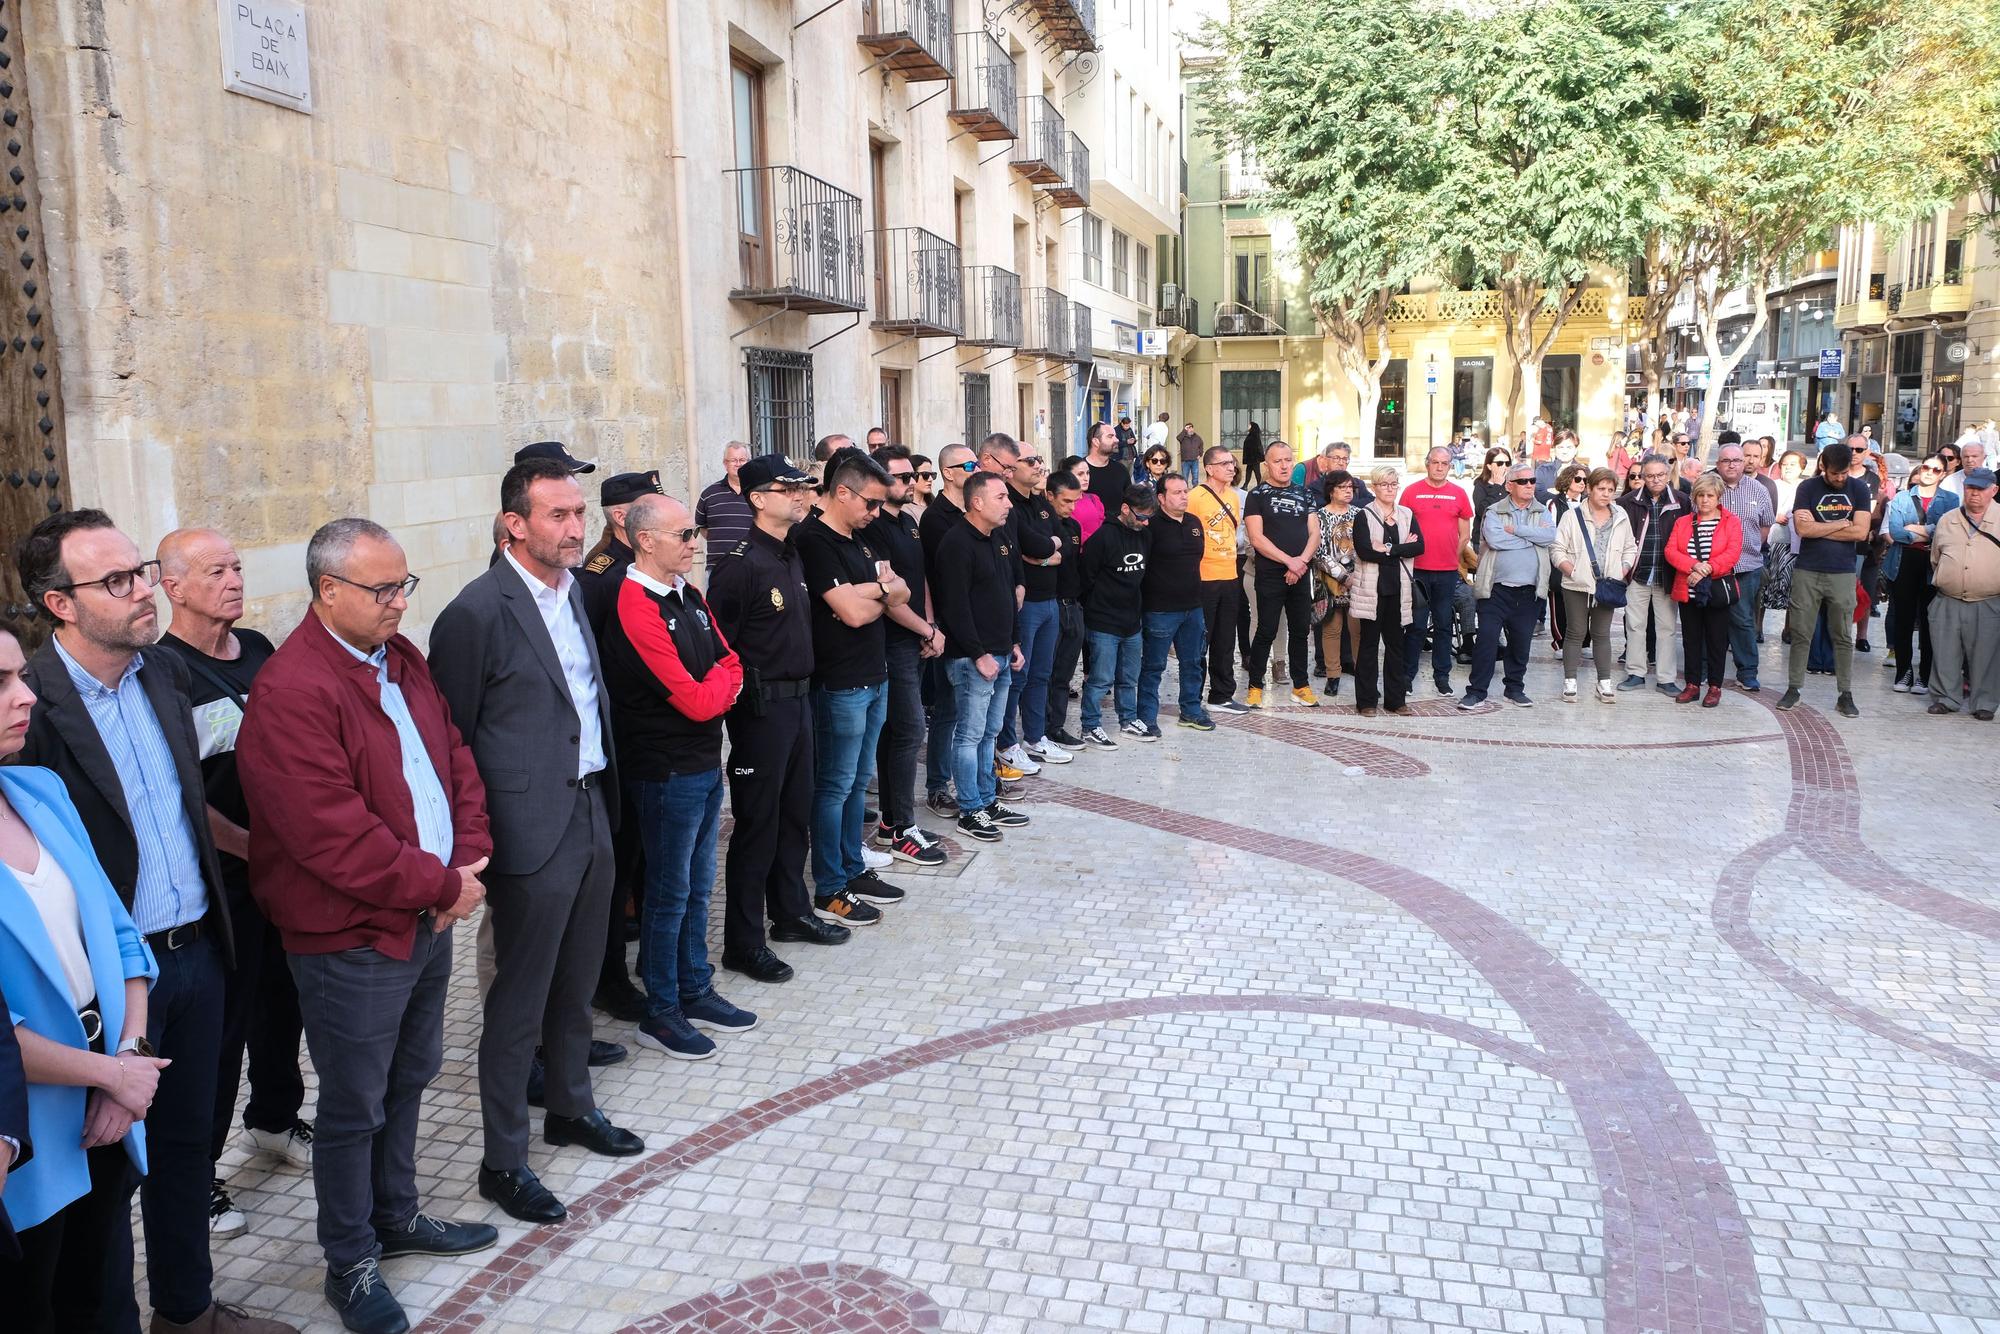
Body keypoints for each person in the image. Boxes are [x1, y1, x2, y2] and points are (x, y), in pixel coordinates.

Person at [15, 512, 295, 1334]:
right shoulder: (36, 706)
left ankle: (189, 1314)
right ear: (60, 604)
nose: (142, 592)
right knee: (104, 1187)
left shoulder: (164, 677)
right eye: (117, 582)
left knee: (186, 1154)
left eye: (137, 571)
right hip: (103, 989)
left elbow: (188, 807)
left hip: (201, 952)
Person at [236, 518, 496, 1334]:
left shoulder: (400, 657)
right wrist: (440, 884)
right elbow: (329, 834)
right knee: (354, 1105)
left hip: (430, 912)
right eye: (382, 590)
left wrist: (471, 860)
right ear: (328, 592)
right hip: (352, 934)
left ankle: (397, 1216)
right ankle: (348, 1261)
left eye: (402, 585)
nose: (397, 603)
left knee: (411, 1075)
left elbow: (454, 760)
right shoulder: (292, 690)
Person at [428, 457, 645, 1225]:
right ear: (513, 524)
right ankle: (503, 1160)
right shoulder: (475, 613)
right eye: (558, 515)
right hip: (527, 831)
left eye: (579, 513)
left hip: (591, 809)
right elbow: (447, 738)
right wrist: (473, 845)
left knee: (581, 978)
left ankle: (571, 1107)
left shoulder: (576, 593)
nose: (577, 527)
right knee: (518, 1002)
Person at [0, 615, 173, 1332]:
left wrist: (126, 1059)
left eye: (18, 675)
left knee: (105, 1299)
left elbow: (123, 937)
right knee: (36, 1306)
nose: (26, 696)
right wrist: (107, 1076)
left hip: (108, 1101)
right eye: (0, 683)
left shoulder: (39, 792)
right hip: (29, 1125)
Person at [152, 528, 310, 1239]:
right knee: (221, 1030)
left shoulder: (258, 652)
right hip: (220, 885)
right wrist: (251, 847)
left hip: (284, 872)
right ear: (172, 585)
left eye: (238, 568)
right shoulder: (160, 672)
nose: (234, 581)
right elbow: (182, 791)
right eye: (216, 571)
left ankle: (274, 1120)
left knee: (286, 1004)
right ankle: (199, 1172)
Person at [597, 493, 761, 1066]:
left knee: (695, 887)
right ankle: (662, 1010)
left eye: (694, 533)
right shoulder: (633, 601)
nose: (696, 543)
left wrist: (717, 686)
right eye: (685, 534)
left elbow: (730, 659)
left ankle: (694, 986)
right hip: (664, 769)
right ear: (645, 540)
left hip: (700, 763)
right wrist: (719, 691)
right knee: (667, 896)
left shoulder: (688, 593)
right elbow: (692, 699)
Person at [708, 456, 850, 986]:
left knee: (795, 816)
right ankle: (743, 943)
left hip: (799, 702)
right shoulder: (740, 565)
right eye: (784, 487)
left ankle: (790, 913)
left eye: (799, 485)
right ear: (757, 499)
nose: (798, 493)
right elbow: (718, 646)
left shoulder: (790, 555)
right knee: (757, 826)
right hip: (761, 711)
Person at [794, 451, 911, 926]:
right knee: (835, 786)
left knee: (858, 785)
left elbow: (899, 589)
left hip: (874, 674)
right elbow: (853, 612)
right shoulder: (814, 541)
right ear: (843, 492)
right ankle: (829, 885)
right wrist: (877, 593)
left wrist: (874, 592)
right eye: (871, 503)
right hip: (839, 682)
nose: (876, 513)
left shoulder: (860, 541)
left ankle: (852, 866)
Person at [576, 470, 666, 1025]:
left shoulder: (629, 569)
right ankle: (608, 977)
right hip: (622, 739)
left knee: (634, 859)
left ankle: (618, 963)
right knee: (617, 862)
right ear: (621, 517)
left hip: (635, 737)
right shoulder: (604, 575)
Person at [932, 472, 1028, 841]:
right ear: (977, 502)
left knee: (990, 732)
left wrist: (1015, 643)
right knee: (969, 735)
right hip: (974, 659)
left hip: (1002, 652)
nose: (1008, 504)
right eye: (1001, 497)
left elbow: (1007, 593)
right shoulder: (957, 543)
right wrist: (978, 654)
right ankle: (970, 809)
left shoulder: (998, 538)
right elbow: (954, 607)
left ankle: (987, 799)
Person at [865, 445, 950, 862]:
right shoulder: (874, 526)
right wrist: (924, 628)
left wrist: (930, 625)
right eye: (900, 477)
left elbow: (919, 581)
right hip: (892, 643)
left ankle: (890, 823)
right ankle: (900, 827)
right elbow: (887, 596)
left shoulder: (909, 522)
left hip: (917, 638)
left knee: (899, 732)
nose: (910, 483)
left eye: (911, 476)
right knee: (910, 731)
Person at [1778, 440, 1873, 717]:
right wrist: (1840, 523)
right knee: (1801, 632)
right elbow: (1802, 528)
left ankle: (1845, 693)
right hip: (1808, 569)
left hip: (1842, 571)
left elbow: (1860, 533)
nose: (1840, 478)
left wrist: (1820, 527)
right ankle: (1794, 688)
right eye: (1835, 474)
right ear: (1824, 467)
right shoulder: (1808, 488)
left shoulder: (1859, 489)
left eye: (1844, 473)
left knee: (1843, 634)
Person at [989, 437, 1060, 774]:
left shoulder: (1041, 502)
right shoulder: (1009, 506)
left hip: (1050, 599)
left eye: (1038, 460)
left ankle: (1035, 736)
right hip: (1026, 601)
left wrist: (1045, 554)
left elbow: (1056, 543)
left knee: (1041, 674)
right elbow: (1028, 547)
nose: (1037, 466)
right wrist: (1046, 551)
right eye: (1030, 461)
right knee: (1018, 675)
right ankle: (1007, 743)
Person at [1462, 465, 1554, 709]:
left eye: (1532, 480)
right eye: (1523, 481)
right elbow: (1495, 539)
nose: (1529, 485)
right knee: (1487, 640)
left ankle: (1514, 688)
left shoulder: (1542, 511)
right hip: (1496, 589)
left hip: (1529, 591)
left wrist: (1519, 531)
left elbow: (1549, 537)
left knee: (1521, 642)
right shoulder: (1495, 511)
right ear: (1509, 486)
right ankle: (1476, 692)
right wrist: (1532, 538)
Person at [1244, 441, 1320, 708]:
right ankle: (1255, 686)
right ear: (1267, 465)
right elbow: (1256, 537)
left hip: (1301, 573)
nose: (1284, 465)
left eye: (1288, 459)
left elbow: (1315, 533)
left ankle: (1301, 685)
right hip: (1270, 573)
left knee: (1300, 631)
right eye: (1278, 461)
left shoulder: (1305, 493)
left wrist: (1300, 563)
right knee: (1266, 630)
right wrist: (1290, 562)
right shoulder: (1257, 495)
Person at [1551, 468, 1637, 703]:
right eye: (1601, 488)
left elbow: (1630, 546)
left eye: (1611, 489)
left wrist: (1623, 570)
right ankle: (1570, 681)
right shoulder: (1572, 515)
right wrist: (1572, 571)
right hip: (1576, 584)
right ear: (1590, 488)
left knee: (1602, 634)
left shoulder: (1620, 516)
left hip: (1608, 585)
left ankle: (1604, 682)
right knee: (1575, 632)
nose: (1606, 494)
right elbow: (1557, 548)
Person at [1078, 485, 1156, 745]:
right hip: (1103, 621)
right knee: (1100, 679)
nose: (1145, 522)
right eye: (1141, 516)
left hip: (1132, 620)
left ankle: (1128, 719)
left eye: (1148, 518)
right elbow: (1086, 577)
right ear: (1125, 509)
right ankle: (1090, 725)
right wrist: (1096, 609)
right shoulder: (1102, 538)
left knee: (1129, 677)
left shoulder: (1144, 535)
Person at [919, 444, 973, 816]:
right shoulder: (937, 518)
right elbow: (944, 579)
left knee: (977, 713)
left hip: (978, 625)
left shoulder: (976, 510)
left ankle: (975, 777)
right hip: (948, 629)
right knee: (947, 710)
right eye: (967, 464)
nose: (974, 468)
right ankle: (938, 785)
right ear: (949, 473)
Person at [1137, 474, 1212, 733]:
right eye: (1177, 492)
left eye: (1185, 491)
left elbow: (1197, 557)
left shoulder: (1194, 522)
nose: (1184, 496)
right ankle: (1147, 716)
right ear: (1161, 498)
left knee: (1192, 661)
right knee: (1154, 665)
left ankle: (1191, 710)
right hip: (1160, 609)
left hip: (1193, 606)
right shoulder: (1151, 526)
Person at [1924, 467, 2000, 719]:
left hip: (1989, 600)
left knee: (1987, 655)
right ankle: (1946, 697)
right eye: (1970, 488)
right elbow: (1936, 557)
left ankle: (1984, 703)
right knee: (1945, 652)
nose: (1974, 494)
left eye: (1980, 489)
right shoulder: (1948, 519)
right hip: (1948, 598)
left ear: (1994, 491)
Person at [1665, 474, 1746, 708]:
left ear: (1718, 496)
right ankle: (1692, 684)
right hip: (1688, 590)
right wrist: (1693, 566)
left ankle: (1714, 686)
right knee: (1691, 640)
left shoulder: (1730, 522)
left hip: (1716, 590)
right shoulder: (1683, 522)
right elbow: (1671, 551)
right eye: (1700, 495)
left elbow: (1732, 554)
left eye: (1710, 495)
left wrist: (1705, 569)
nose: (1705, 500)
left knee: (1716, 640)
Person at [1403, 447, 1475, 699]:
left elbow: (1465, 533)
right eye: (1435, 462)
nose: (1440, 467)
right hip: (1418, 571)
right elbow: (1402, 528)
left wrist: (1452, 558)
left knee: (1444, 625)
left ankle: (1441, 677)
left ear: (1450, 465)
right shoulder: (1411, 492)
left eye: (1445, 463)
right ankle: (1407, 677)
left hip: (1446, 572)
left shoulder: (1459, 493)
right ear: (1427, 464)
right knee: (1416, 626)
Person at [1350, 468, 1421, 717]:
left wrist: (1388, 548)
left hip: (1398, 590)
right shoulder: (1364, 515)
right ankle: (1367, 701)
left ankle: (1395, 700)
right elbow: (1365, 551)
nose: (1390, 488)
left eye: (1394, 484)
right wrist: (1402, 547)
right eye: (1384, 484)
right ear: (1374, 487)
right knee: (1368, 646)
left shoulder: (1407, 514)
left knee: (1396, 646)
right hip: (1372, 591)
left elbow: (1419, 546)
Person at [1884, 454, 1958, 694]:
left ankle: (1925, 675)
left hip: (1933, 563)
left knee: (1929, 621)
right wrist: (1928, 532)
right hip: (1903, 561)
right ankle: (1904, 672)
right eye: (1926, 467)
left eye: (1936, 470)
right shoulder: (1903, 497)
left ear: (1943, 474)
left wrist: (1917, 530)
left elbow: (1947, 533)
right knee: (1904, 620)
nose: (1929, 472)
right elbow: (1895, 531)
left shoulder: (1951, 499)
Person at [1185, 446, 1250, 715]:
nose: (1231, 468)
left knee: (1226, 639)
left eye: (1232, 463)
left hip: (1230, 573)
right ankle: (1192, 697)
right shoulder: (1195, 497)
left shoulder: (1233, 498)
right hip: (1204, 577)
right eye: (1224, 463)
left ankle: (1221, 694)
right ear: (1209, 468)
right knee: (1201, 640)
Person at [1615, 455, 1688, 693]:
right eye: (1650, 476)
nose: (1655, 480)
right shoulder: (1627, 502)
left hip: (1667, 575)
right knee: (1635, 625)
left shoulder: (1682, 501)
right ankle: (1636, 673)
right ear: (1642, 476)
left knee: (1666, 627)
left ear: (1668, 475)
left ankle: (1666, 678)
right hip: (1638, 574)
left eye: (1660, 475)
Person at [1714, 442, 1775, 692]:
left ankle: (1747, 671)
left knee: (1743, 621)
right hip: (1713, 568)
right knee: (1712, 620)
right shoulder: (1708, 487)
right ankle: (1707, 668)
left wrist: (1746, 548)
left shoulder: (1758, 489)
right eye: (1726, 460)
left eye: (1737, 460)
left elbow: (1765, 525)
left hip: (1745, 566)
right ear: (1718, 464)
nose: (1732, 465)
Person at [1039, 470, 1090, 749]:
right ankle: (1041, 729)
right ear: (1049, 496)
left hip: (1073, 605)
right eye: (1066, 501)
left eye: (1076, 501)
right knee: (1043, 674)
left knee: (1064, 674)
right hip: (1049, 605)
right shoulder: (1041, 524)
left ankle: (1056, 726)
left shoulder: (1073, 527)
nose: (1072, 508)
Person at [1311, 470, 1359, 698]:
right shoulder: (1319, 516)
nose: (1348, 491)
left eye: (1351, 487)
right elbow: (1318, 552)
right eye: (1343, 487)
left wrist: (1356, 577)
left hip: (1359, 582)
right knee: (1331, 630)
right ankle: (1333, 676)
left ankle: (1363, 674)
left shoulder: (1361, 514)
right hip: (1328, 582)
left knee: (1358, 631)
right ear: (1331, 490)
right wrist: (1343, 577)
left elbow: (1367, 547)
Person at [1544, 463, 1590, 660]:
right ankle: (1560, 641)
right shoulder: (1554, 504)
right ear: (1567, 480)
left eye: (1585, 480)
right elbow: (1550, 532)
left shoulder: (1589, 503)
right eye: (1577, 479)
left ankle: (1584, 642)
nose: (1581, 483)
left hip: (1584, 559)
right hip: (1559, 559)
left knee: (1584, 603)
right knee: (1559, 602)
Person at [693, 441, 755, 568]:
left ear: (749, 462)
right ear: (725, 463)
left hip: (753, 565)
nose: (738, 464)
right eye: (733, 460)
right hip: (718, 566)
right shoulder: (709, 494)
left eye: (742, 460)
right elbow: (700, 526)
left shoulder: (758, 493)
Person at [1082, 422, 1129, 515]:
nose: (1116, 440)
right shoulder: (1079, 471)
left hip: (1117, 528)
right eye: (1110, 436)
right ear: (1096, 441)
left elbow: (1129, 501)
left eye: (1115, 436)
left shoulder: (1121, 470)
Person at [1470, 446, 1515, 541]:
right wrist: (1497, 486)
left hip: (1509, 537)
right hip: (1485, 539)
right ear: (1489, 466)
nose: (1504, 466)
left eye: (1507, 463)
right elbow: (1482, 511)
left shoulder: (1513, 483)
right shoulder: (1480, 485)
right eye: (1499, 463)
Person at [1176, 421, 1204, 486]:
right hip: (1185, 460)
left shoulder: (1197, 437)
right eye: (1188, 428)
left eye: (1191, 427)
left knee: (1195, 476)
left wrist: (1200, 454)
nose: (1190, 429)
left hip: (1195, 460)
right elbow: (1178, 438)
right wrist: (1184, 430)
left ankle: (1195, 488)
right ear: (1186, 429)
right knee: (1185, 476)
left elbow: (1201, 445)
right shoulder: (1182, 437)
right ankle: (1185, 489)